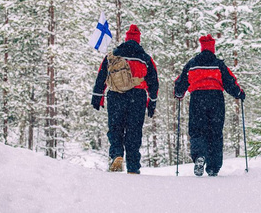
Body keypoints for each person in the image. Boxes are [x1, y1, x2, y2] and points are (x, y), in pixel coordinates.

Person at [174, 34, 245, 177]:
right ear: (212, 48)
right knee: (215, 132)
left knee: (197, 130)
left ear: (202, 48)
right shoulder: (219, 64)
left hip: (197, 99)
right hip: (216, 99)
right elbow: (230, 81)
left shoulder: (192, 63)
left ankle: (199, 155)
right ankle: (213, 167)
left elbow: (181, 81)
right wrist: (239, 93)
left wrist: (179, 92)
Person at [91, 24, 159, 174]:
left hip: (116, 95)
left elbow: (102, 75)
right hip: (138, 97)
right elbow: (153, 81)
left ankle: (117, 154)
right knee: (134, 131)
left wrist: (97, 96)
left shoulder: (115, 55)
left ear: (126, 39)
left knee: (115, 127)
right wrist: (152, 101)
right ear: (138, 40)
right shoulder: (145, 58)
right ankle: (133, 165)